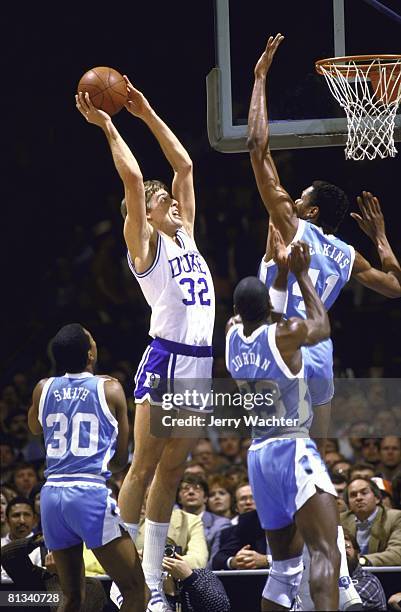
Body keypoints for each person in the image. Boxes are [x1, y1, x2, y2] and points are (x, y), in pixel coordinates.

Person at [76, 78, 215, 612]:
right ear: (146, 215)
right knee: (143, 465)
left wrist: (146, 109)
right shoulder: (145, 246)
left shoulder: (187, 235)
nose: (173, 203)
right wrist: (110, 123)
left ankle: (152, 583)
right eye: (162, 203)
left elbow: (184, 166)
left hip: (200, 364)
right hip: (166, 358)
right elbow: (135, 178)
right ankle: (121, 574)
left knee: (174, 471)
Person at [247, 34, 401, 456]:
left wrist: (260, 77)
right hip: (320, 348)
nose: (292, 199)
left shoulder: (293, 225)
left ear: (310, 213)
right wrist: (382, 238)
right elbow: (395, 287)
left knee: (272, 453)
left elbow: (257, 148)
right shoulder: (349, 255)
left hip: (282, 342)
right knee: (315, 455)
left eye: (301, 198)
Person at [225, 239, 360, 610]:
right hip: (292, 449)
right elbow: (321, 325)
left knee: (283, 570)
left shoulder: (232, 336)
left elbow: (267, 314)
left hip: (259, 456)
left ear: (237, 310)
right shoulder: (285, 337)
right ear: (268, 308)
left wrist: (279, 276)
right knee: (326, 552)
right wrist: (300, 274)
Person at [27, 323, 146, 612]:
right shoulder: (111, 388)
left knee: (71, 597)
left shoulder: (43, 388)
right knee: (136, 590)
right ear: (90, 354)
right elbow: (119, 459)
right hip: (88, 493)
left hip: (52, 496)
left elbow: (33, 427)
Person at [341, 477, 401, 566]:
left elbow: (397, 553)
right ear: (348, 504)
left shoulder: (395, 517)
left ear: (377, 498)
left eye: (364, 493)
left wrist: (362, 560)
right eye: (353, 495)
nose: (359, 498)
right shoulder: (341, 520)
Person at [177, 473, 231, 564]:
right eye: (185, 489)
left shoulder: (221, 524)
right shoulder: (170, 523)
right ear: (179, 498)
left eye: (197, 488)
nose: (191, 492)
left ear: (205, 497)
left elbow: (215, 562)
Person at [343, 530, 387, 610]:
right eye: (338, 548)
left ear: (358, 555)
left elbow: (346, 602)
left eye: (346, 547)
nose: (342, 552)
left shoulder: (369, 581)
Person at [1, 496, 41, 581]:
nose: (22, 521)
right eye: (16, 515)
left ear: (34, 519)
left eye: (26, 515)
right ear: (7, 520)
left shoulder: (43, 547)